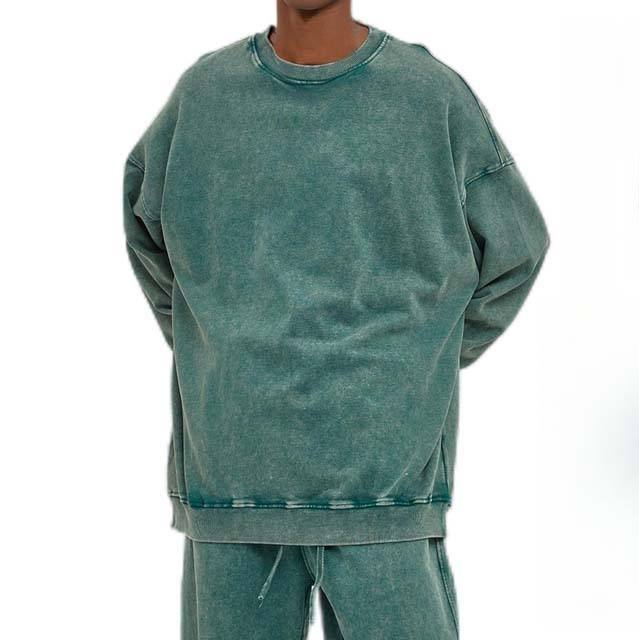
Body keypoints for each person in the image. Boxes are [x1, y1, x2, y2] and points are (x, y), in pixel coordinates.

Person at [122, 0, 551, 637]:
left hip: (382, 488)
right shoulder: (204, 98)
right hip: (236, 483)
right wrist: (212, 343)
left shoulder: (428, 97)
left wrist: (422, 359)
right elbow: (147, 226)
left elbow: (516, 248)